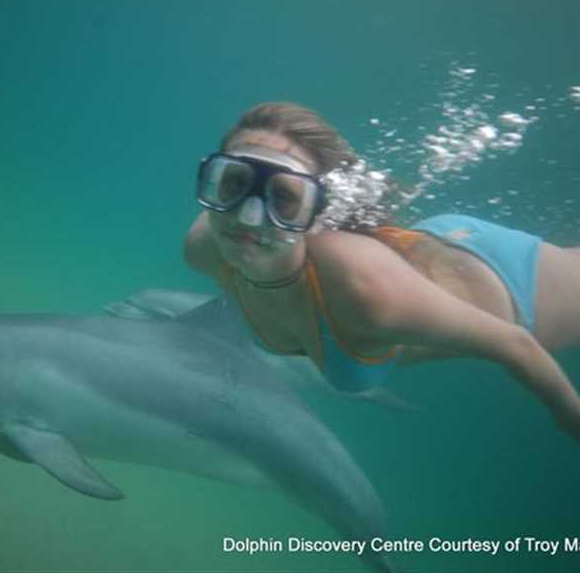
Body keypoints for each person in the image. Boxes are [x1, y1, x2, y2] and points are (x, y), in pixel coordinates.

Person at [184, 102, 580, 439]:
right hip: (424, 250)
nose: (248, 218)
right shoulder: (206, 246)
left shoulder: (365, 290)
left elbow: (515, 344)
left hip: (517, 289)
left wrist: (571, 418)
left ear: (317, 214)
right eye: (234, 183)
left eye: (285, 197)